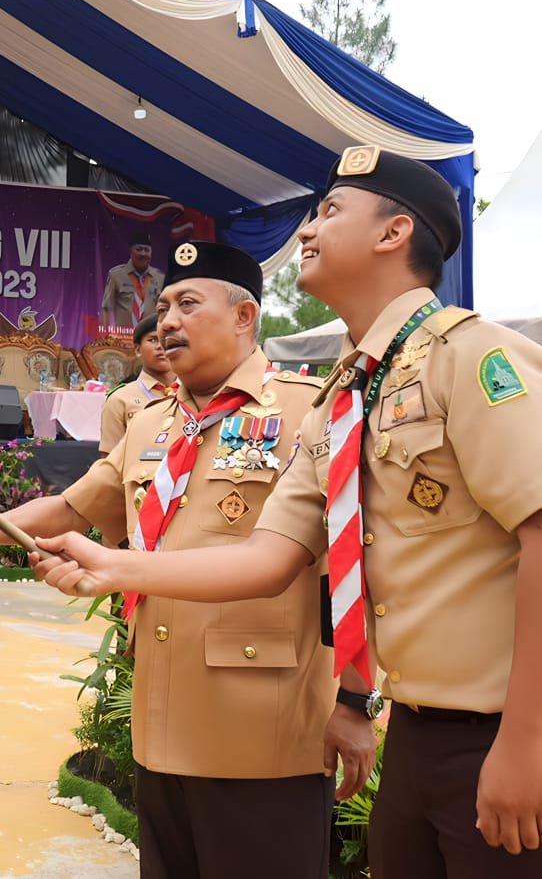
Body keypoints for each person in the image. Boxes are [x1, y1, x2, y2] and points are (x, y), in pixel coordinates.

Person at [36, 147, 542, 877]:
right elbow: (267, 559)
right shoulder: (345, 396)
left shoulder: (472, 357)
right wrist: (113, 565)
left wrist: (526, 742)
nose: (306, 232)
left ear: (393, 234)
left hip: (497, 732)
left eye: (330, 212)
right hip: (421, 733)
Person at [1, 241, 372, 879]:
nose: (167, 320)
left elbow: (353, 561)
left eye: (188, 304)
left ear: (245, 315)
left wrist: (357, 701)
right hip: (161, 724)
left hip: (264, 731)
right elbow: (69, 511)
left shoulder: (310, 411)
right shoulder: (150, 425)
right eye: (163, 304)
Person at [98, 313, 176, 455]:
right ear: (138, 349)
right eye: (152, 340)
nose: (161, 346)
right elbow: (109, 460)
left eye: (168, 339)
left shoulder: (194, 394)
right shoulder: (120, 399)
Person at [100, 232, 164, 330]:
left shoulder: (160, 277)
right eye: (138, 249)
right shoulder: (116, 274)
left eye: (147, 250)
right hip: (123, 338)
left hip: (149, 336)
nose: (143, 253)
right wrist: (104, 337)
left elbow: (164, 310)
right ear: (130, 251)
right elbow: (106, 308)